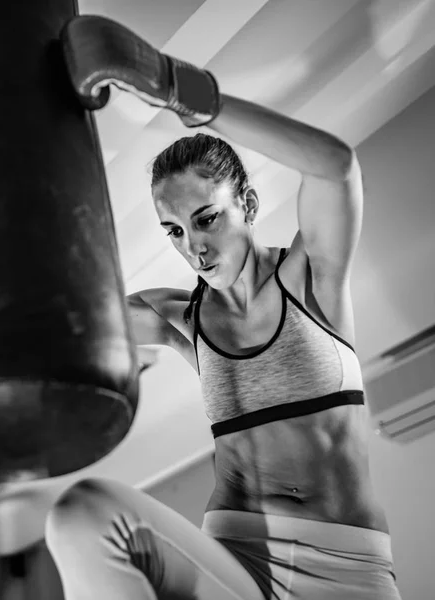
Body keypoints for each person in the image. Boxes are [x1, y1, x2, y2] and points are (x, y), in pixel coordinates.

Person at [45, 16, 402, 600]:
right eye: (175, 231)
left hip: (345, 575)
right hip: (231, 561)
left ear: (250, 204)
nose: (195, 247)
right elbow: (63, 321)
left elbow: (335, 165)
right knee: (85, 514)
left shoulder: (309, 279)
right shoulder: (176, 317)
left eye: (206, 218)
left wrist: (173, 86)